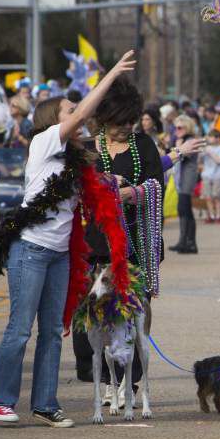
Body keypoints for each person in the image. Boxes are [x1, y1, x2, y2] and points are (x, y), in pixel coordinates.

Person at [0, 51, 137, 427]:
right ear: (56, 121)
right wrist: (113, 73)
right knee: (20, 329)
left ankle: (45, 404)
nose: (78, 114)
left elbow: (99, 195)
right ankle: (0, 400)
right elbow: (86, 113)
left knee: (53, 332)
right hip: (30, 250)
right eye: (70, 110)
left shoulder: (76, 161)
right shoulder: (43, 144)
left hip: (59, 256)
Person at [71, 73, 169, 399]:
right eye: (119, 122)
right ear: (102, 119)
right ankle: (103, 377)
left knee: (135, 311)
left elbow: (157, 185)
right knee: (97, 312)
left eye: (131, 120)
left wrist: (130, 193)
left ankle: (131, 380)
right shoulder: (86, 148)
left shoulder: (144, 146)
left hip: (137, 244)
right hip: (94, 244)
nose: (127, 127)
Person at [171, 114, 201, 254]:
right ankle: (185, 241)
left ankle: (189, 242)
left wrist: (177, 148)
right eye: (175, 127)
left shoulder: (191, 140)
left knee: (184, 208)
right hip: (181, 177)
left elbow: (184, 155)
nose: (176, 130)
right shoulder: (181, 140)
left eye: (179, 127)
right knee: (184, 209)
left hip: (188, 177)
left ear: (187, 127)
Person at [201, 129, 220, 224]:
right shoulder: (206, 148)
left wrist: (210, 152)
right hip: (206, 175)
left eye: (211, 137)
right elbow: (199, 159)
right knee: (207, 197)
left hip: (217, 176)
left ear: (217, 138)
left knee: (217, 196)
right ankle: (210, 215)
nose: (209, 138)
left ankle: (218, 216)